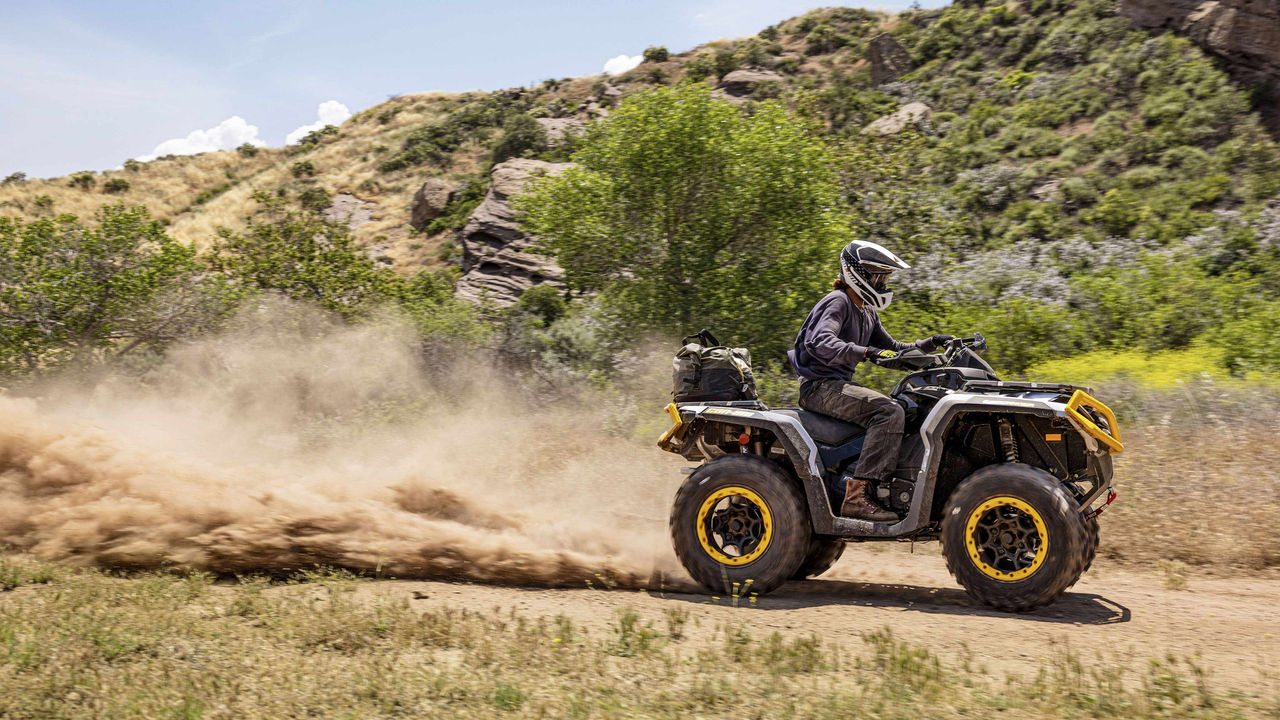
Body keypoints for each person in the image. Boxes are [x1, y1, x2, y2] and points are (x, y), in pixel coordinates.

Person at [787, 240, 953, 522]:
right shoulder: (838, 301)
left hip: (834, 386)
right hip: (819, 387)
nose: (882, 282)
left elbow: (894, 350)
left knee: (909, 406)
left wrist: (932, 343)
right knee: (888, 411)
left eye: (885, 277)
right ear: (857, 273)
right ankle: (857, 496)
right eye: (877, 275)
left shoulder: (866, 311)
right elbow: (821, 342)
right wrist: (864, 352)